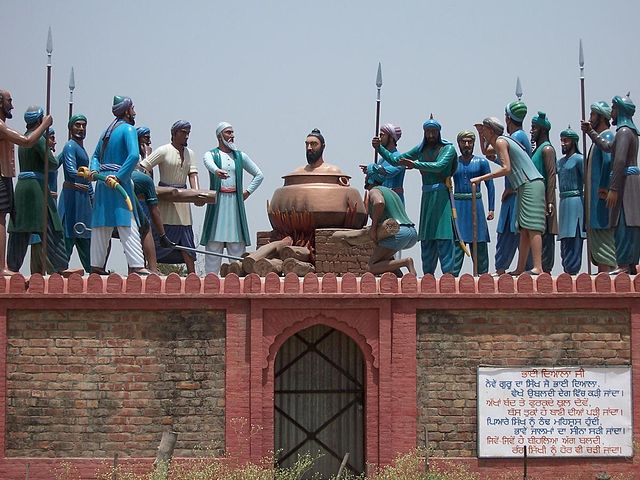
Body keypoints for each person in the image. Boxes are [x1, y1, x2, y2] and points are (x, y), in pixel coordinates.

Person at [373, 116, 457, 275]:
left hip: (442, 196)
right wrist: (380, 149)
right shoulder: (421, 149)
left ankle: (449, 277)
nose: (431, 135)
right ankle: (428, 276)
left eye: (434, 132)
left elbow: (439, 166)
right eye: (428, 132)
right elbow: (397, 160)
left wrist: (415, 164)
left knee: (444, 236)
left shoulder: (448, 149)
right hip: (427, 196)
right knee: (427, 238)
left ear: (439, 132)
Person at [471, 117, 545, 275]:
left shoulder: (501, 142)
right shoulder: (501, 142)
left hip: (530, 182)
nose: (483, 132)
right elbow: (485, 152)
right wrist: (479, 134)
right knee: (523, 228)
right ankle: (520, 268)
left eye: (484, 130)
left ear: (491, 130)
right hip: (524, 185)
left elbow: (506, 169)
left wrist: (481, 178)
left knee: (533, 226)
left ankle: (538, 266)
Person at [89, 95, 148, 275]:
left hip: (103, 182)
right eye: (133, 108)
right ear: (127, 110)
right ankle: (137, 265)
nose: (135, 112)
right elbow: (133, 156)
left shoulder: (105, 132)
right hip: (117, 183)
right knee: (126, 222)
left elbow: (95, 157)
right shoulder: (129, 130)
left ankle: (96, 265)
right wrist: (119, 176)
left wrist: (94, 171)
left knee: (101, 224)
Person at [7, 106, 69, 274]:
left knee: (20, 228)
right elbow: (53, 163)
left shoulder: (23, 141)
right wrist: (64, 153)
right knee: (49, 224)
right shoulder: (39, 140)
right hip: (37, 189)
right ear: (41, 120)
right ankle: (61, 263)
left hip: (21, 188)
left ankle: (12, 264)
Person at [583, 94, 640, 274]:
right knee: (624, 222)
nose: (612, 113)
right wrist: (591, 132)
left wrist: (613, 188)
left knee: (625, 222)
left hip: (625, 182)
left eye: (614, 109)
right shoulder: (624, 132)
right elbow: (607, 147)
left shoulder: (623, 132)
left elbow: (619, 161)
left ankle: (624, 264)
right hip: (626, 180)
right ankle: (627, 264)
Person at [0, 89, 53, 275]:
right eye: (9, 101)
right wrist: (45, 126)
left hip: (11, 179)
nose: (12, 105)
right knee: (2, 219)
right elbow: (27, 140)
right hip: (14, 181)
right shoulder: (1, 126)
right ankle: (2, 267)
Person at [200, 122, 263, 274]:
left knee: (236, 246)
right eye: (228, 132)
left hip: (234, 205)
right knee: (213, 244)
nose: (232, 136)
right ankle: (211, 282)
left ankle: (237, 280)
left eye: (232, 132)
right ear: (219, 136)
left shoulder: (240, 156)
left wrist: (247, 192)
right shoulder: (211, 154)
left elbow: (259, 175)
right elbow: (208, 163)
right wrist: (216, 171)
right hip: (218, 204)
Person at [140, 120, 199, 273]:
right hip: (165, 199)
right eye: (183, 132)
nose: (186, 136)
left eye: (188, 133)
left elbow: (193, 175)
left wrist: (197, 194)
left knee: (187, 240)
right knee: (159, 234)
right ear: (174, 134)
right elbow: (144, 166)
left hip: (183, 202)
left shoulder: (190, 153)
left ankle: (192, 273)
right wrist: (148, 187)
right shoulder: (163, 150)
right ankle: (151, 268)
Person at [494, 101, 531, 274]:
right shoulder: (520, 137)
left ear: (508, 118)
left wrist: (510, 188)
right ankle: (504, 267)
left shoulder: (516, 138)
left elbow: (508, 165)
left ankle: (511, 268)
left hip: (517, 193)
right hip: (514, 193)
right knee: (510, 231)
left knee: (516, 231)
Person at [452, 130, 495, 276]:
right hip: (458, 204)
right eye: (463, 141)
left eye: (469, 142)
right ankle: (453, 275)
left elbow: (490, 185)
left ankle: (483, 274)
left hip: (476, 203)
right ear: (458, 143)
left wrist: (492, 208)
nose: (466, 144)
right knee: (458, 240)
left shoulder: (481, 162)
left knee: (480, 241)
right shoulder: (453, 162)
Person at [581, 102, 616, 272]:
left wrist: (603, 186)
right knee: (597, 243)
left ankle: (607, 274)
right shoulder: (597, 140)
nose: (590, 118)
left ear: (601, 117)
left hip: (600, 201)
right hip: (593, 202)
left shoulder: (607, 137)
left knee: (604, 244)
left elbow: (608, 161)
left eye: (593, 115)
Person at [57, 114, 92, 272]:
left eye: (83, 125)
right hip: (72, 197)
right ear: (71, 127)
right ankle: (60, 270)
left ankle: (93, 271)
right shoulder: (70, 146)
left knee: (87, 236)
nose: (81, 128)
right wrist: (85, 174)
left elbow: (87, 180)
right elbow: (71, 171)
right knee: (68, 235)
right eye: (78, 125)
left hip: (83, 198)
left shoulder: (81, 148)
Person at [364, 175, 417, 275]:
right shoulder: (391, 192)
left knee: (371, 267)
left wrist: (373, 227)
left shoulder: (375, 191)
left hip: (397, 232)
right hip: (411, 232)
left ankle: (406, 262)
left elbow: (379, 203)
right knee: (386, 262)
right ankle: (401, 279)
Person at [530, 111, 558, 273]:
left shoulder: (547, 149)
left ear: (542, 129)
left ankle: (545, 268)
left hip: (545, 200)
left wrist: (550, 201)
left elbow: (551, 176)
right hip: (535, 199)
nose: (532, 131)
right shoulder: (537, 150)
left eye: (534, 128)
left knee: (546, 235)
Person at [557, 127, 585, 274]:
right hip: (563, 201)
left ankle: (573, 271)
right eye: (561, 140)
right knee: (565, 238)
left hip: (576, 202)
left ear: (573, 142)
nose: (563, 143)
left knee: (575, 235)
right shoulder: (560, 162)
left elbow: (587, 180)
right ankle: (567, 270)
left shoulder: (579, 160)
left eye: (566, 140)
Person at [360, 123, 406, 202]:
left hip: (394, 200)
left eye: (382, 135)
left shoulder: (399, 158)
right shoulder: (381, 161)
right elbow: (378, 179)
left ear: (391, 138)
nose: (379, 138)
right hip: (382, 198)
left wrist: (372, 167)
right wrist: (369, 174)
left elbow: (387, 173)